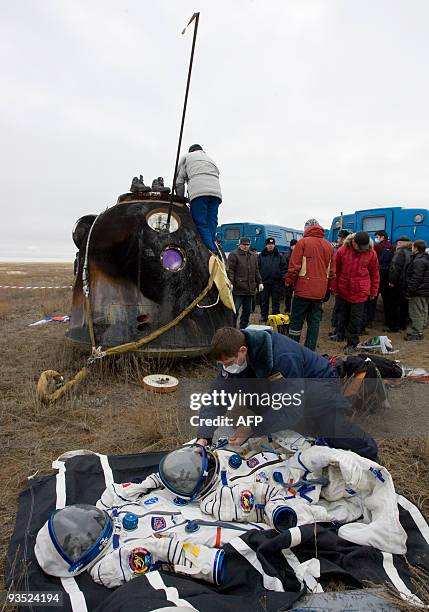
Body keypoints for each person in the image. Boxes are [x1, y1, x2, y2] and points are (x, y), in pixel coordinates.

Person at [196, 326, 378, 460]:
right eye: (222, 365)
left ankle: (370, 452)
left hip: (318, 383)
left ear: (242, 351)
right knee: (275, 416)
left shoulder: (283, 357)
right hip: (282, 388)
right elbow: (216, 397)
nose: (226, 368)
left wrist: (253, 428)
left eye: (228, 363)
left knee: (330, 428)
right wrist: (204, 437)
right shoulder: (234, 350)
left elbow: (291, 408)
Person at [285, 219, 335, 351]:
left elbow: (294, 267)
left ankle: (293, 347)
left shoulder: (302, 243)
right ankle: (310, 349)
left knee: (296, 320)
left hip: (302, 290)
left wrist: (288, 282)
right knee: (314, 322)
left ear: (307, 228)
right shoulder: (329, 246)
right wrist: (328, 288)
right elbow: (331, 271)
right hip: (319, 292)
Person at [331, 231, 379, 353]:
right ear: (353, 242)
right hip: (344, 289)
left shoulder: (371, 253)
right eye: (360, 247)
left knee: (355, 319)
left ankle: (352, 343)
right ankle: (340, 334)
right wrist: (334, 288)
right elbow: (336, 270)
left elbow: (374, 274)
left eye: (365, 247)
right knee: (343, 315)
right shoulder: (342, 250)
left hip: (360, 291)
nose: (363, 249)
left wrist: (374, 291)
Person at [175, 144, 221, 251]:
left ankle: (209, 249)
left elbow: (179, 182)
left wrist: (180, 199)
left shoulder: (186, 157)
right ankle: (213, 244)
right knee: (212, 221)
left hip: (199, 192)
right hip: (216, 194)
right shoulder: (210, 160)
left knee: (200, 222)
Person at [227, 237, 263, 329]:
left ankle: (243, 329)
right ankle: (233, 329)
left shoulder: (253, 256)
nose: (246, 246)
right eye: (244, 245)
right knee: (234, 311)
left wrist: (260, 282)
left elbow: (256, 270)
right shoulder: (233, 255)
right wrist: (230, 282)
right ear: (240, 244)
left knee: (247, 312)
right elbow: (230, 270)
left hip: (250, 289)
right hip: (237, 289)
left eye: (247, 245)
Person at [365, 230, 393, 329]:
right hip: (387, 278)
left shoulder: (376, 247)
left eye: (377, 236)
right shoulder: (391, 246)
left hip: (377, 276)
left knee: (372, 300)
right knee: (387, 301)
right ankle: (388, 321)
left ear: (382, 237)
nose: (376, 238)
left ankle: (369, 320)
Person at [258, 237, 288, 321]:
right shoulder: (261, 256)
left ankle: (275, 316)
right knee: (264, 300)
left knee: (276, 300)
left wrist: (282, 278)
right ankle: (264, 316)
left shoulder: (279, 255)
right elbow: (257, 268)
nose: (270, 246)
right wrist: (259, 280)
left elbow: (284, 268)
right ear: (266, 245)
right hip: (264, 282)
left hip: (276, 282)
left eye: (272, 244)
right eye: (269, 244)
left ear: (274, 245)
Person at [404, 239, 429, 341]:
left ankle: (417, 333)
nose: (412, 248)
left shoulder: (418, 261)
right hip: (425, 290)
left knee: (416, 312)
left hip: (418, 291)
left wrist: (409, 290)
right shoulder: (426, 258)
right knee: (423, 310)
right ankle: (420, 330)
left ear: (416, 248)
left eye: (413, 247)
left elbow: (416, 278)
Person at [386, 236, 412, 331]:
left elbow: (395, 267)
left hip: (398, 283)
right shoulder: (410, 252)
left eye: (397, 243)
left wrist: (391, 281)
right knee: (404, 305)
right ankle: (402, 325)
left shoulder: (400, 252)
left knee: (394, 305)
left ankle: (394, 326)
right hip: (406, 283)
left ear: (400, 243)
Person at [329, 230, 351, 338]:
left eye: (339, 237)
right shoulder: (340, 249)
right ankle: (337, 329)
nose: (337, 239)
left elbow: (337, 268)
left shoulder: (344, 250)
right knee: (339, 308)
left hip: (343, 284)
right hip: (341, 283)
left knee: (342, 309)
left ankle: (340, 332)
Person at [283, 239, 297, 313]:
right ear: (291, 246)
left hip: (296, 279)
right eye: (294, 245)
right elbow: (284, 267)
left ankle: (294, 309)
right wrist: (286, 277)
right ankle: (287, 309)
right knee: (288, 295)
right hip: (289, 277)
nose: (295, 247)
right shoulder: (287, 255)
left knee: (297, 296)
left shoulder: (299, 254)